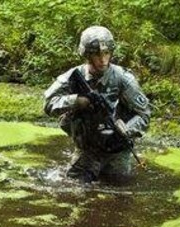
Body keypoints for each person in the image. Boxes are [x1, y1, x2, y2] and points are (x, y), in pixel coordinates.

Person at [44, 26, 151, 184]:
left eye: (106, 53)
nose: (103, 59)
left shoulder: (123, 79)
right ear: (87, 55)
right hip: (87, 149)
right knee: (73, 190)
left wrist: (127, 129)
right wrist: (77, 101)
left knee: (121, 196)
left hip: (117, 151)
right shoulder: (74, 76)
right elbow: (48, 103)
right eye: (97, 54)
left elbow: (144, 114)